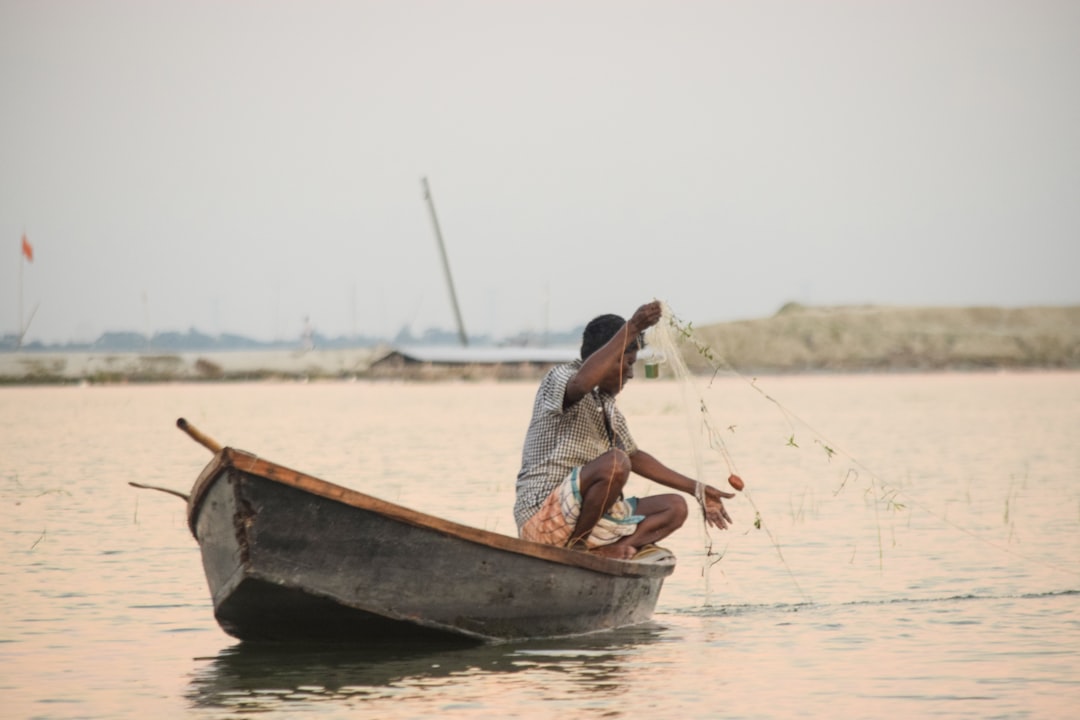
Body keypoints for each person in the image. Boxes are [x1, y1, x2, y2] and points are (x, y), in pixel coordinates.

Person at [514, 300, 734, 560]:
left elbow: (634, 456)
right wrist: (633, 327)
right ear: (606, 360)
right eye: (627, 363)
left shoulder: (607, 408)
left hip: (586, 520)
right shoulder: (561, 377)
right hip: (543, 518)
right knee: (616, 463)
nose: (630, 374)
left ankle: (606, 551)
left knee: (674, 507)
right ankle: (578, 547)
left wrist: (698, 489)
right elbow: (582, 384)